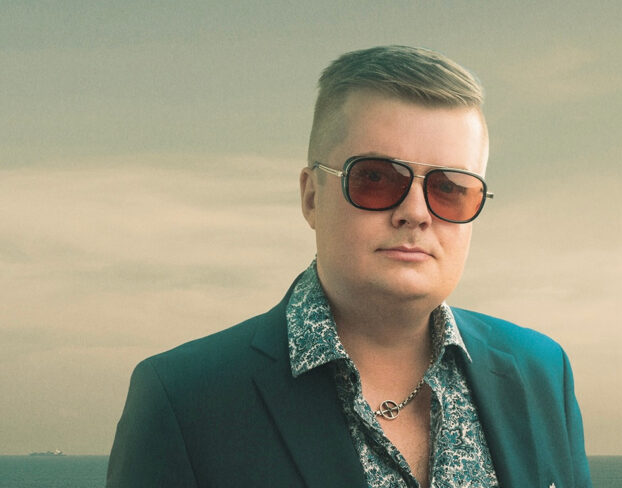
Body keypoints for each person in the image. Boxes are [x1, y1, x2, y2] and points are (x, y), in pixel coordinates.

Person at [107, 45, 592, 488]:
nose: (416, 213)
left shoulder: (542, 372)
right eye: (376, 178)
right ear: (311, 197)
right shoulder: (184, 400)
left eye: (449, 188)